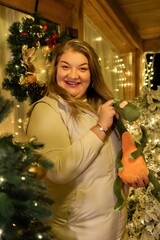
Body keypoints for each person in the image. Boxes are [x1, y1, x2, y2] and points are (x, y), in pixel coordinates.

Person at [24, 39, 149, 240]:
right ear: (55, 70)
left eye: (82, 68)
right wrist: (100, 127)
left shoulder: (95, 108)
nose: (73, 75)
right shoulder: (46, 110)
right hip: (77, 233)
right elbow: (56, 171)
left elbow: (109, 165)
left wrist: (131, 172)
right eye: (66, 67)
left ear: (92, 75)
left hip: (114, 229)